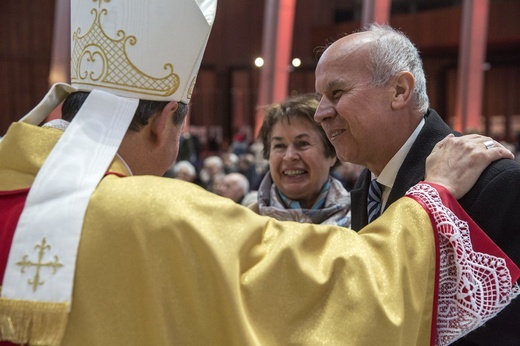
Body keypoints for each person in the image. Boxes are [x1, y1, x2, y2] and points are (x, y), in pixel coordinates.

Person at [0, 2, 518, 345]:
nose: (321, 114)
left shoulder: (12, 193)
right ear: (163, 123)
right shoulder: (150, 210)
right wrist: (434, 197)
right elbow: (343, 288)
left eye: (335, 96)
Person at [314, 23, 520, 345]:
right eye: (320, 98)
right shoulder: (367, 187)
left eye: (336, 93)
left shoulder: (496, 183)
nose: (321, 113)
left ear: (399, 91)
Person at [251, 94, 351, 227]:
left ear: (332, 154)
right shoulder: (247, 223)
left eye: (302, 143)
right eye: (279, 146)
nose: (289, 156)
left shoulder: (362, 220)